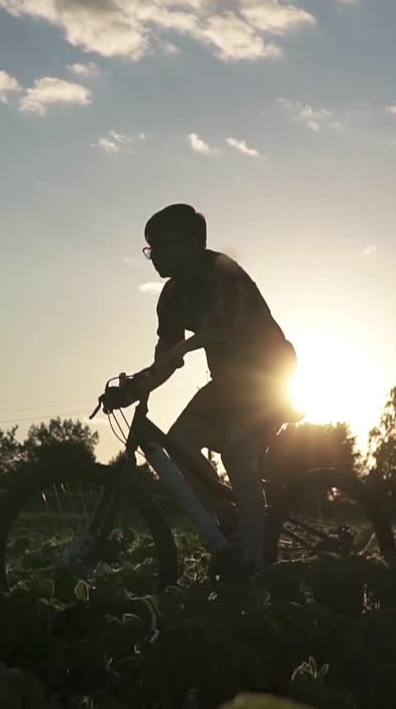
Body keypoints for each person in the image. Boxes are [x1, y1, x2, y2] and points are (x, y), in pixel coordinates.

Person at [138, 203, 299, 579]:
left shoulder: (223, 272)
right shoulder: (171, 295)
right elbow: (168, 356)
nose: (153, 257)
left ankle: (255, 565)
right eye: (149, 249)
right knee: (176, 447)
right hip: (227, 385)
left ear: (193, 244)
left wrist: (178, 351)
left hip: (269, 375)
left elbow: (218, 330)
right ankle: (234, 522)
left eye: (160, 246)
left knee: (239, 453)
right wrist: (136, 386)